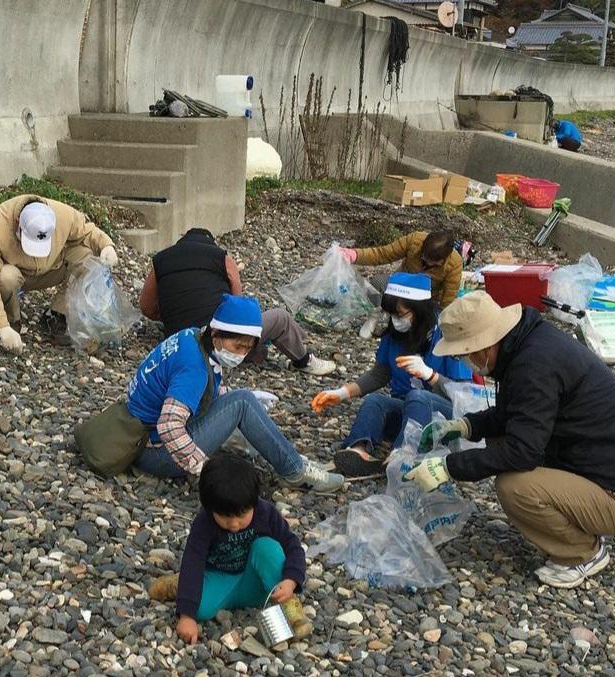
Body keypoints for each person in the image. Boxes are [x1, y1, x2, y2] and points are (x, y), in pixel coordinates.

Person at [403, 291, 615, 589]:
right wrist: (466, 426)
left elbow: (522, 452)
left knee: (515, 487)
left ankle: (582, 552)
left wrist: (448, 466)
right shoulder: (527, 345)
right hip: (599, 467)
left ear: (483, 346)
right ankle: (578, 522)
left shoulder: (534, 366)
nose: (464, 360)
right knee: (500, 444)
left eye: (463, 353)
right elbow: (517, 413)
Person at [125, 294, 343, 491]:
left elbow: (198, 391)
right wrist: (204, 467)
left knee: (242, 401)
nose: (242, 355)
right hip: (157, 452)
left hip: (138, 437)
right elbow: (169, 425)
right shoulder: (193, 367)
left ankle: (289, 458)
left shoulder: (191, 337)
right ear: (216, 334)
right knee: (242, 402)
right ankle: (295, 472)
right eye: (238, 347)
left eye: (248, 349)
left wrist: (228, 395)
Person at [312, 273, 472, 478]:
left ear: (419, 310)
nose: (395, 320)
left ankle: (403, 455)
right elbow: (381, 372)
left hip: (443, 419)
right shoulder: (395, 335)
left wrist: (431, 376)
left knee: (418, 397)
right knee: (375, 401)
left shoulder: (448, 334)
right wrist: (342, 393)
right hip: (407, 412)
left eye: (400, 314)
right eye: (392, 315)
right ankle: (358, 450)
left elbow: (464, 396)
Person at [148, 451, 307, 645]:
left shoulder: (266, 513)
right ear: (209, 508)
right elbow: (193, 563)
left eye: (241, 516)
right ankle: (179, 586)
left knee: (267, 547)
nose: (234, 524)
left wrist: (291, 581)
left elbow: (292, 545)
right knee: (201, 610)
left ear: (254, 502)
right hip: (219, 578)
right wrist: (187, 614)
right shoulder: (204, 524)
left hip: (256, 579)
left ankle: (291, 610)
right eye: (225, 517)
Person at [139, 227, 335, 376]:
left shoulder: (161, 260)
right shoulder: (221, 257)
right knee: (280, 318)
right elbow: (237, 306)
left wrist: (171, 314)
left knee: (255, 348)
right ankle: (304, 360)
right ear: (211, 243)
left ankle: (261, 349)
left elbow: (147, 307)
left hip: (179, 341)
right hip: (216, 337)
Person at [0, 194, 117, 351]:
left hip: (51, 268)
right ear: (18, 221)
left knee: (85, 257)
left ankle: (57, 316)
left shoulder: (63, 215)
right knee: (6, 277)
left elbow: (88, 232)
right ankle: (11, 321)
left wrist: (106, 245)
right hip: (17, 275)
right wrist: (1, 325)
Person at [339, 229, 463, 331]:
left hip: (425, 300)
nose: (427, 262)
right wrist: (354, 255)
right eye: (424, 257)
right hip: (401, 288)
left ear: (444, 258)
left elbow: (447, 300)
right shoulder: (414, 240)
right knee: (377, 282)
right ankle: (373, 317)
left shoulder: (454, 264)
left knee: (421, 327)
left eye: (432, 261)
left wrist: (441, 326)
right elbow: (383, 254)